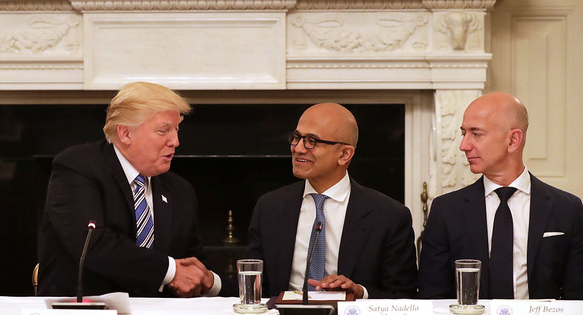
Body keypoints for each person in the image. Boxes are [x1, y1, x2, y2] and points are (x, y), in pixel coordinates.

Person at [37, 82, 234, 298]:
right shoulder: (78, 167)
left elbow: (191, 266)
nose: (175, 141)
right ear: (125, 133)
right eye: (163, 131)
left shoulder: (180, 190)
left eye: (177, 130)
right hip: (85, 312)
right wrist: (170, 271)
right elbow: (92, 243)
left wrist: (211, 282)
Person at [419, 91, 583, 300]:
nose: (463, 146)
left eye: (476, 134)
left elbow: (577, 299)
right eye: (463, 133)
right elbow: (433, 299)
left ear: (513, 140)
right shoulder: (446, 211)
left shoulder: (567, 209)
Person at [247, 103, 418, 299]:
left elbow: (404, 297)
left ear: (344, 154)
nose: (298, 148)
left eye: (311, 141)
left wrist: (360, 293)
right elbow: (254, 287)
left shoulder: (389, 216)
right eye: (297, 137)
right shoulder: (269, 207)